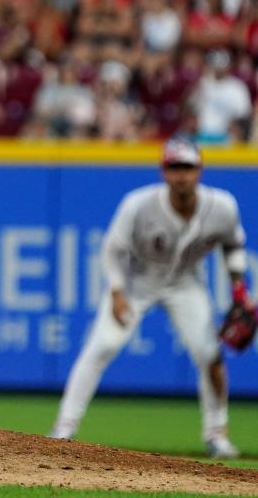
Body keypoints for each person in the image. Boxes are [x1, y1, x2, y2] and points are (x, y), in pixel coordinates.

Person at [49, 137, 251, 459]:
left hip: (186, 283)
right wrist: (116, 292)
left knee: (210, 355)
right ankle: (63, 429)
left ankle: (217, 435)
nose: (181, 174)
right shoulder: (139, 204)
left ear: (200, 170)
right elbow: (113, 250)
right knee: (101, 346)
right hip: (136, 281)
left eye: (187, 167)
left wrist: (239, 289)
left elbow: (234, 244)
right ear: (163, 171)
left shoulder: (222, 207)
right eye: (174, 167)